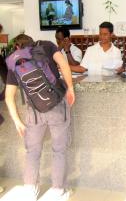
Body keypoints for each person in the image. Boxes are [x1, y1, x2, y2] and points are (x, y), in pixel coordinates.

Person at [5, 34, 75, 201]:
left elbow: (9, 97)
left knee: (32, 152)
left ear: (17, 47)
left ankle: (30, 190)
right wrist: (70, 88)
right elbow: (64, 64)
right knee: (59, 150)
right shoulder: (47, 46)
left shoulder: (14, 62)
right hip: (57, 105)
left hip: (34, 111)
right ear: (32, 42)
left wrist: (17, 122)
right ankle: (58, 191)